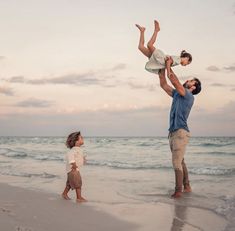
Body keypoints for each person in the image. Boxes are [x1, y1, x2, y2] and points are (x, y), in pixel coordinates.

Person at [158, 57, 201, 198]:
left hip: (181, 132)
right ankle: (187, 186)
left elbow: (174, 81)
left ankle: (178, 191)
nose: (188, 81)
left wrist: (169, 65)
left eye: (191, 81)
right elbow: (164, 84)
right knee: (180, 160)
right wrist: (161, 69)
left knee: (176, 162)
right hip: (173, 132)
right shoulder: (178, 93)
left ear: (193, 87)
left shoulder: (188, 95)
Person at [61, 131, 87, 202]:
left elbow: (78, 157)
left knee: (69, 183)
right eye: (81, 138)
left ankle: (64, 194)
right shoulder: (73, 150)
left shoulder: (78, 149)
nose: (83, 138)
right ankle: (79, 197)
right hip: (73, 170)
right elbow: (71, 158)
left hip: (73, 170)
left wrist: (83, 159)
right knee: (78, 183)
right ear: (76, 141)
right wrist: (74, 165)